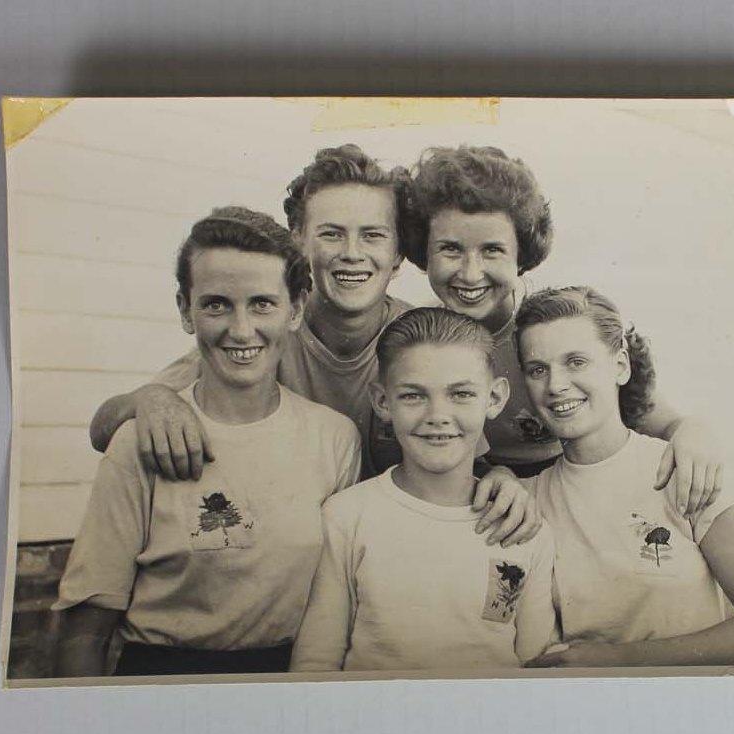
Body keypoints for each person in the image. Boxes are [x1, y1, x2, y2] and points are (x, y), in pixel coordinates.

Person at [88, 145, 539, 546]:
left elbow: (464, 458)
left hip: (385, 550)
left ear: (399, 253)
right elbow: (104, 427)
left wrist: (498, 475)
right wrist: (152, 399)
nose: (351, 253)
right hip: (285, 553)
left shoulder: (420, 339)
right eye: (330, 233)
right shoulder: (264, 334)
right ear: (298, 243)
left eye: (373, 235)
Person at [53, 207, 361, 677]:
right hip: (164, 680)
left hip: (296, 678)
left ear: (295, 310)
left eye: (262, 303)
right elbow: (86, 632)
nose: (241, 330)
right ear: (185, 310)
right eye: (217, 304)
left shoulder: (335, 438)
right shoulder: (141, 438)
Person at [403, 145, 724, 516]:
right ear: (423, 254)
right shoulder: (419, 341)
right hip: (479, 500)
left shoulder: (549, 331)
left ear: (521, 255)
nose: (471, 273)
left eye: (492, 251)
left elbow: (663, 419)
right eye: (450, 250)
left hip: (573, 490)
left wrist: (694, 433)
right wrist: (496, 474)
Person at [515, 287, 734, 667]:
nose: (555, 385)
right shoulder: (528, 499)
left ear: (620, 365)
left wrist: (616, 661)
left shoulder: (687, 468)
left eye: (576, 362)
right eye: (538, 369)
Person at [291, 308, 556, 672]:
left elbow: (538, 667)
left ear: (494, 398)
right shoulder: (346, 517)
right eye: (414, 396)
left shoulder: (522, 527)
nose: (438, 415)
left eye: (461, 393)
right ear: (383, 402)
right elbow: (315, 663)